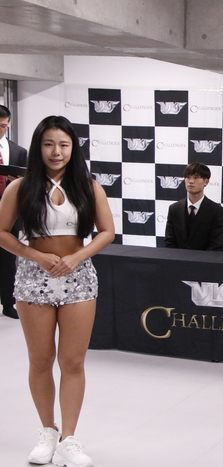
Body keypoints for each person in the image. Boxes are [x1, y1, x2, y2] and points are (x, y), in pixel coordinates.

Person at [0, 115, 114, 467]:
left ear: (73, 148)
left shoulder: (89, 187)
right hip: (33, 279)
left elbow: (107, 232)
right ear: (38, 147)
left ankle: (69, 439)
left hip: (79, 280)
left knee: (73, 361)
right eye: (48, 144)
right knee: (40, 360)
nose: (56, 151)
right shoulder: (20, 188)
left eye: (63, 144)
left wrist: (77, 257)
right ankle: (47, 432)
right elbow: (1, 232)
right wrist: (35, 255)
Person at [0, 104, 28, 319]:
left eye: (3, 126)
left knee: (8, 260)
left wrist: (19, 180)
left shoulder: (18, 151)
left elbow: (27, 182)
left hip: (9, 213)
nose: (1, 130)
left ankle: (8, 303)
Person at [164, 162, 223, 251]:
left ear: (206, 182)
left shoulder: (217, 211)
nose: (191, 181)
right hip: (177, 258)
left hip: (205, 259)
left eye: (196, 177)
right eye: (188, 177)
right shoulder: (174, 209)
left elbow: (216, 245)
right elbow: (170, 241)